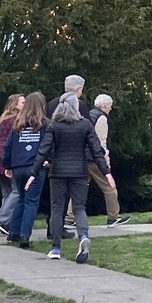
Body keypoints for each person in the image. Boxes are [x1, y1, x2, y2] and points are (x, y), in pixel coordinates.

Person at [27, 92, 113, 263]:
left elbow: (43, 150)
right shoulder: (85, 125)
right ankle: (83, 236)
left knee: (57, 208)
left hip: (58, 172)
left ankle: (55, 248)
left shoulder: (54, 125)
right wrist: (107, 172)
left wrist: (33, 173)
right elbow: (96, 150)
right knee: (79, 208)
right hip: (79, 172)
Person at [3, 92, 49, 248]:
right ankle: (25, 235)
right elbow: (48, 145)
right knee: (31, 201)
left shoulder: (18, 124)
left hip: (18, 167)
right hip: (35, 167)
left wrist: (8, 165)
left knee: (21, 199)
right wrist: (48, 160)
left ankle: (14, 232)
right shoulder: (44, 124)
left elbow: (8, 146)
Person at [45, 74, 89, 232]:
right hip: (75, 159)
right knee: (75, 202)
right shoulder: (79, 106)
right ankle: (64, 230)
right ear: (78, 89)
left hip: (54, 156)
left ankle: (53, 229)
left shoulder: (51, 104)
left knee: (56, 200)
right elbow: (88, 133)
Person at [88, 94, 129, 228]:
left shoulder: (89, 115)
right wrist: (105, 160)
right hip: (95, 158)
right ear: (105, 105)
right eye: (110, 105)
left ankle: (69, 217)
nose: (111, 108)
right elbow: (101, 141)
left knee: (79, 187)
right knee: (109, 187)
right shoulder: (101, 118)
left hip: (84, 157)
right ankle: (113, 217)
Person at [0, 94, 24, 235]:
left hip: (0, 153)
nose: (25, 105)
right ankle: (1, 219)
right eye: (22, 102)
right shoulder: (17, 120)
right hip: (11, 155)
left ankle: (4, 224)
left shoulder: (3, 119)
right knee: (17, 190)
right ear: (15, 104)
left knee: (7, 193)